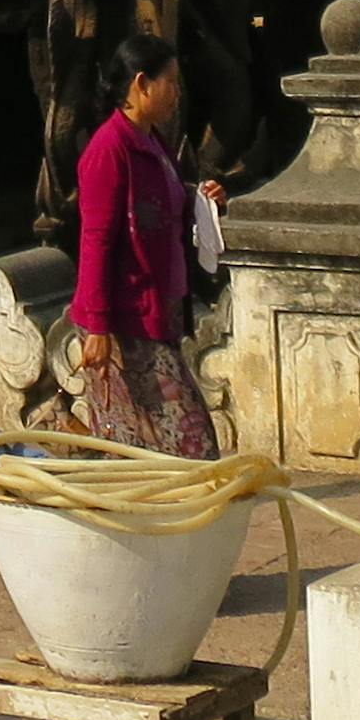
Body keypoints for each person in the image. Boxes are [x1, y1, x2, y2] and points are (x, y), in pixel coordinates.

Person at [60, 31, 222, 458]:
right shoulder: (108, 151)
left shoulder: (152, 142)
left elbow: (163, 208)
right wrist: (97, 327)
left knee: (137, 444)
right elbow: (96, 240)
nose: (177, 94)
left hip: (156, 313)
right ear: (141, 84)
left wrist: (200, 198)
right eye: (171, 82)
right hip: (123, 320)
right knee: (192, 441)